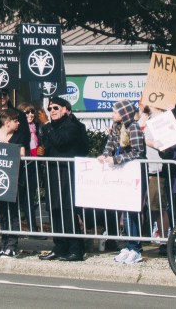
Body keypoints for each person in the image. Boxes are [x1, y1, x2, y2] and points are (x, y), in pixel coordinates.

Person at [39, 96, 90, 262]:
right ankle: (59, 247)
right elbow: (49, 145)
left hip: (67, 173)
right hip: (53, 173)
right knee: (54, 210)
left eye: (55, 108)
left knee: (67, 211)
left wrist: (46, 124)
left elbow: (60, 141)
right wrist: (42, 150)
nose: (52, 111)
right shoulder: (51, 127)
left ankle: (76, 249)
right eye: (50, 108)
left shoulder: (72, 126)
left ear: (64, 109)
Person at [99, 99, 146, 265]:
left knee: (132, 212)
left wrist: (116, 158)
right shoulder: (117, 127)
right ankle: (127, 245)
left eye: (116, 111)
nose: (113, 114)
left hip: (134, 173)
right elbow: (109, 145)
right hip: (123, 173)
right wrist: (105, 156)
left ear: (124, 113)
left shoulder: (134, 128)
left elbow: (138, 152)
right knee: (124, 212)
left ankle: (136, 247)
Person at [0, 109, 26, 257]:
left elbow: (22, 154)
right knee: (1, 213)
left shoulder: (18, 136)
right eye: (16, 121)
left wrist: (5, 146)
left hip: (13, 179)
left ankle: (12, 245)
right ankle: (4, 243)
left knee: (13, 213)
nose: (18, 123)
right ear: (8, 123)